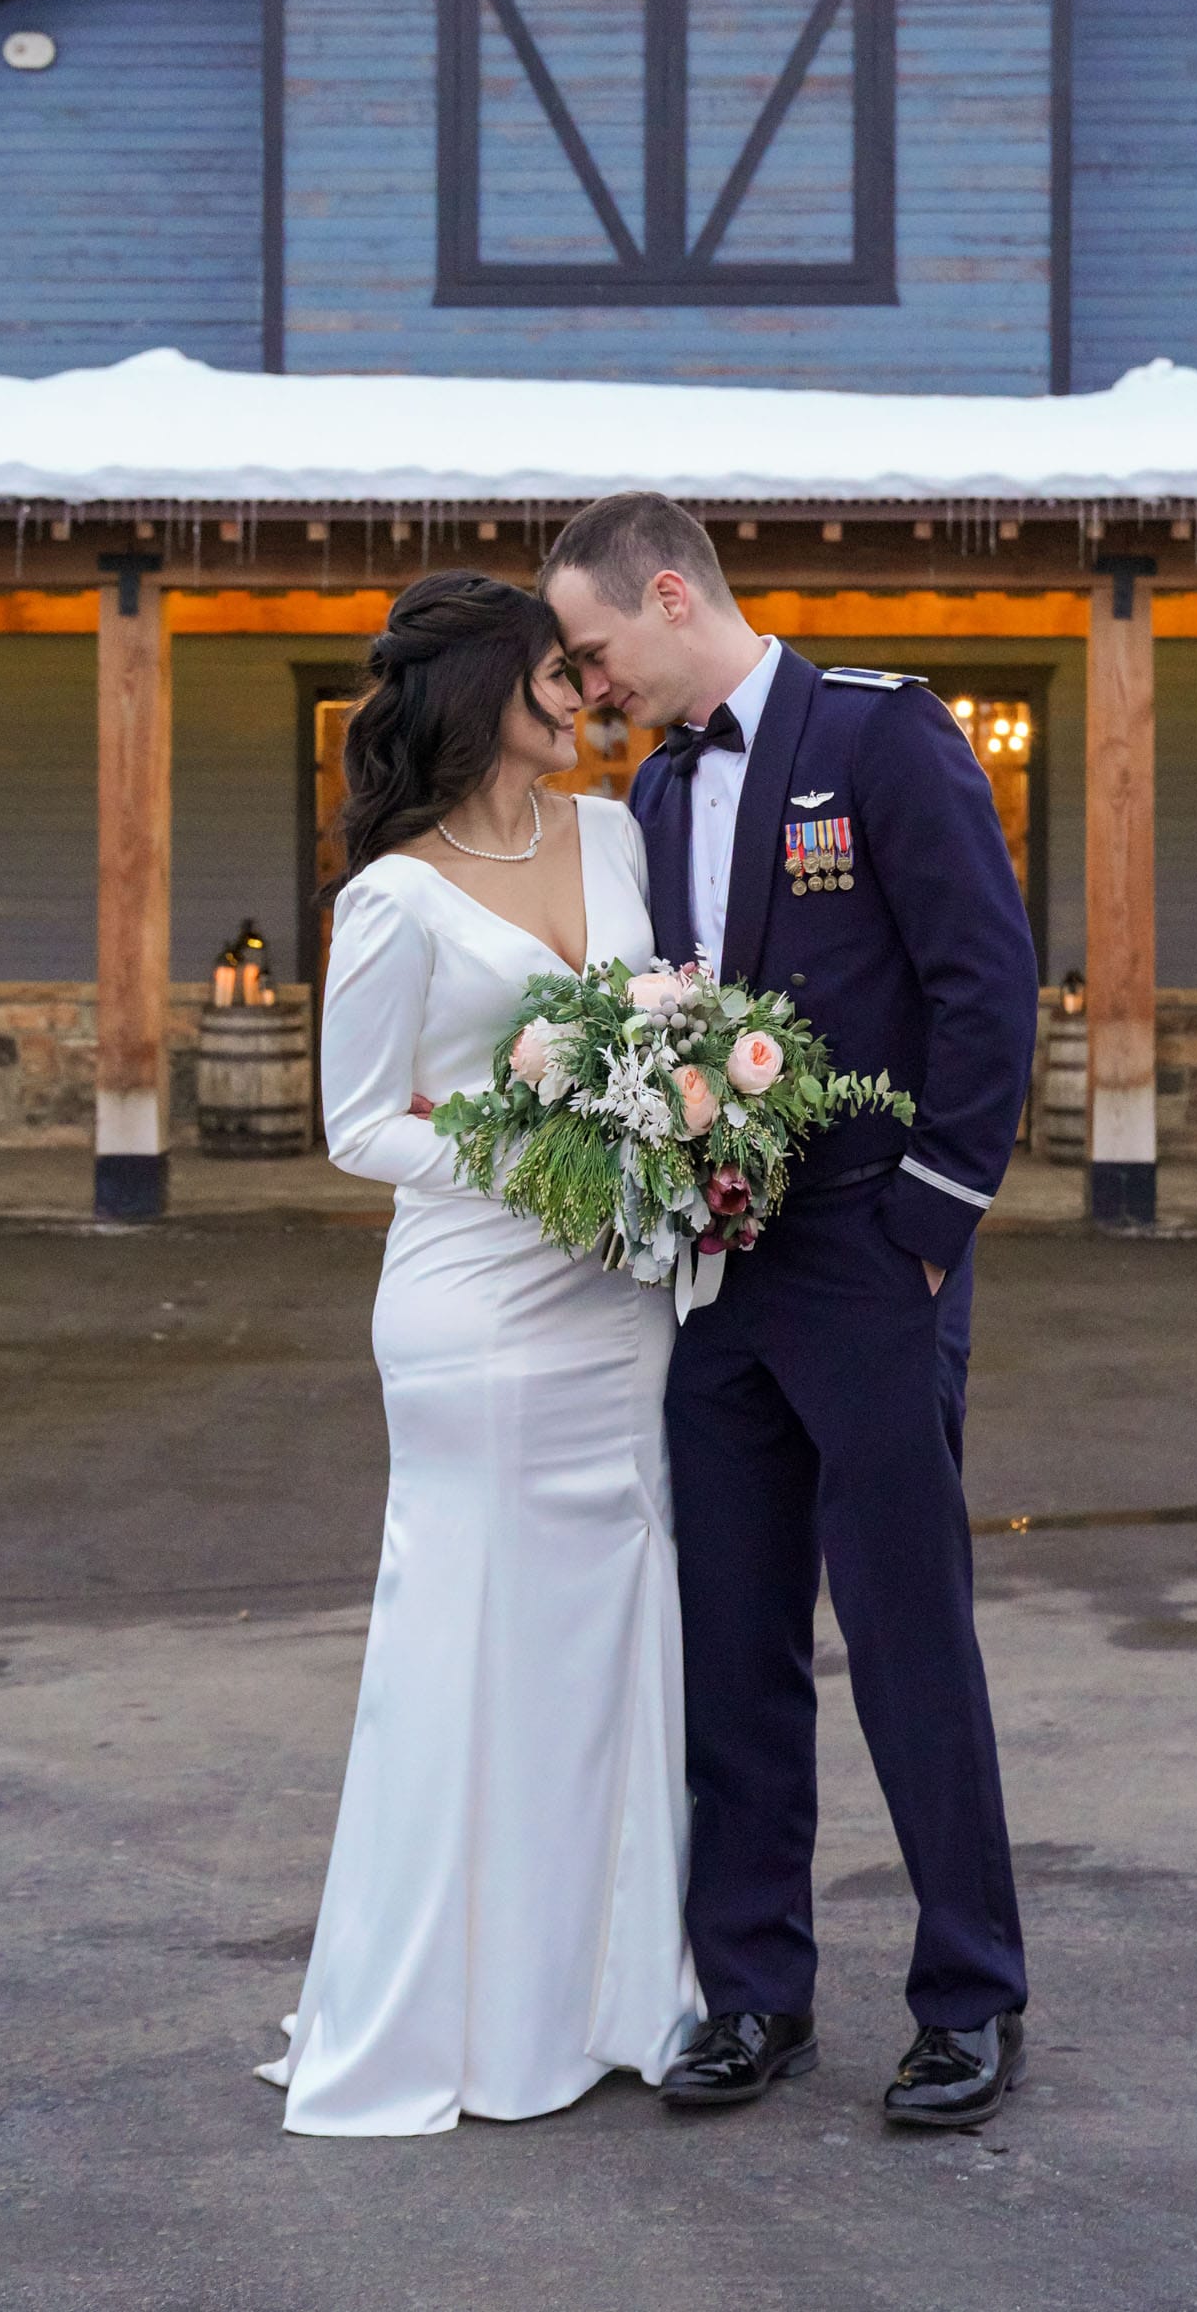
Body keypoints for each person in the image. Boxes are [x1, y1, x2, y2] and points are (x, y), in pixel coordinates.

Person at [542, 496, 1041, 2133]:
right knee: (734, 1641)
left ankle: (969, 1999)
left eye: (597, 651)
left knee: (907, 1637)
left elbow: (985, 981)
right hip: (718, 1280)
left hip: (869, 1260)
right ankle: (755, 1991)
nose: (592, 687)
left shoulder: (879, 738)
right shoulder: (658, 787)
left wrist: (930, 1231)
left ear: (668, 594)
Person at [258, 570, 699, 2136]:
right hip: (480, 1314)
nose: (584, 698)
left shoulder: (617, 837)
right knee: (474, 1642)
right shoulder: (392, 897)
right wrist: (548, 1158)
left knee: (614, 1634)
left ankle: (613, 1997)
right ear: (482, 696)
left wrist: (675, 1137)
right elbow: (358, 1126)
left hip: (620, 1307)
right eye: (555, 678)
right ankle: (453, 2016)